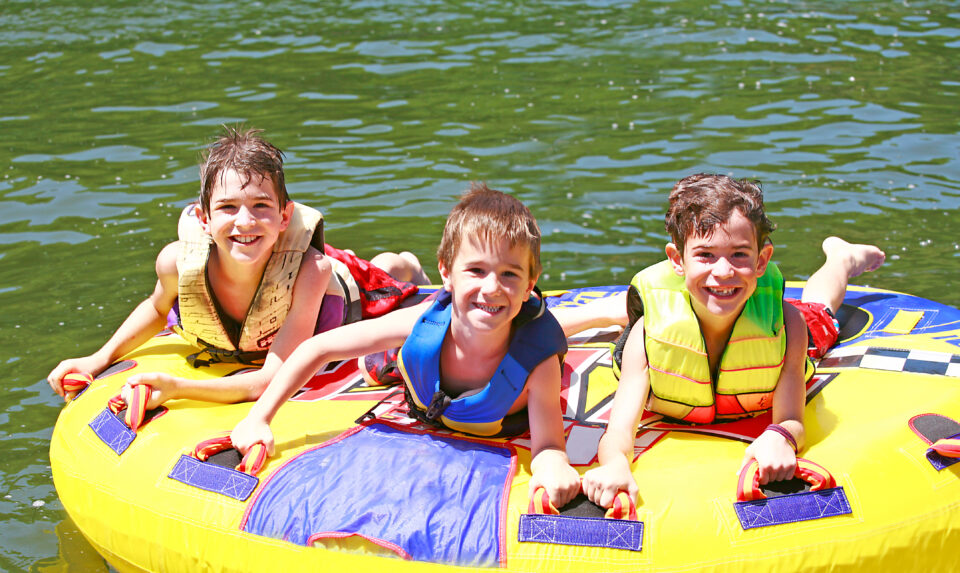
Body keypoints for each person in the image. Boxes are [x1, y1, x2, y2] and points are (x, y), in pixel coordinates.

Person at [231, 183, 582, 509]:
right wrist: (259, 418)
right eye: (476, 270)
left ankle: (598, 313)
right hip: (416, 379)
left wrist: (554, 466)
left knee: (542, 326)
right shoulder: (423, 324)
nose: (491, 287)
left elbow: (549, 445)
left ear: (529, 284)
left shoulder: (538, 363)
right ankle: (406, 268)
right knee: (374, 364)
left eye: (509, 274)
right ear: (447, 271)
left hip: (500, 399)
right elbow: (318, 348)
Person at [47, 127, 429, 408]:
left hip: (342, 295)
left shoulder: (312, 271)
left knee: (387, 274)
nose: (244, 221)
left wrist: (178, 387)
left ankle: (406, 262)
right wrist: (97, 359)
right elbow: (156, 307)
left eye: (261, 206)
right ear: (203, 219)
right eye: (228, 207)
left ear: (284, 217)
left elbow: (269, 379)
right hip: (282, 272)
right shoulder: (176, 263)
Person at [581, 174, 885, 509]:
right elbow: (619, 433)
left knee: (820, 311)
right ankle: (608, 311)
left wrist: (780, 437)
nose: (723, 270)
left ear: (761, 261)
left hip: (763, 318)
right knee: (639, 315)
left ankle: (841, 259)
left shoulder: (787, 326)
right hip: (681, 313)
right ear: (677, 260)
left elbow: (792, 419)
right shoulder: (648, 336)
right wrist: (615, 465)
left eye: (739, 254)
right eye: (706, 255)